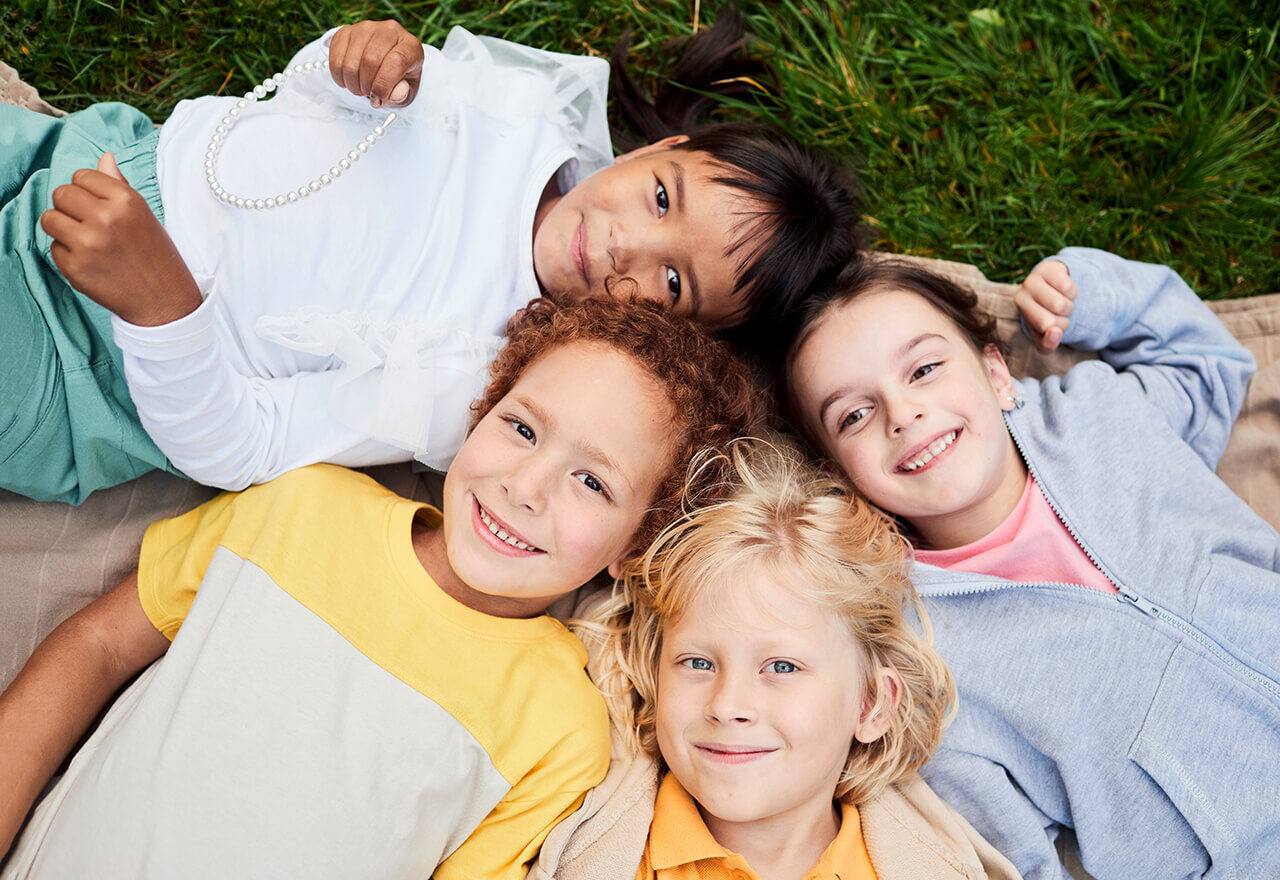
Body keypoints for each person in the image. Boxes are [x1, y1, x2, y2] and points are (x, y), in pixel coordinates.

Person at [0, 296, 760, 879]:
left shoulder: (558, 724)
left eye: (591, 481)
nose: (525, 487)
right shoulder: (305, 508)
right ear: (480, 411)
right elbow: (98, 645)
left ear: (636, 547)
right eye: (521, 428)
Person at [0, 9, 859, 503]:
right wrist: (347, 60)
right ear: (651, 151)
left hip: (83, 365)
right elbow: (303, 112)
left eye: (674, 284)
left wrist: (162, 310)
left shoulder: (483, 375)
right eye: (662, 196)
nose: (627, 244)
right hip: (93, 157)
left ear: (682, 337)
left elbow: (239, 448)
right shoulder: (510, 110)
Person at [785, 248, 1280, 879]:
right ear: (839, 477)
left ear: (996, 374)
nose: (902, 413)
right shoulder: (926, 658)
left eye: (925, 369)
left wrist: (1089, 293)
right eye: (854, 415)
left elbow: (1210, 363)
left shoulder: (1098, 415)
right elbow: (1016, 858)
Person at [577, 437, 1018, 880]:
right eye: (698, 663)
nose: (727, 706)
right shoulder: (598, 848)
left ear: (871, 704)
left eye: (782, 667)